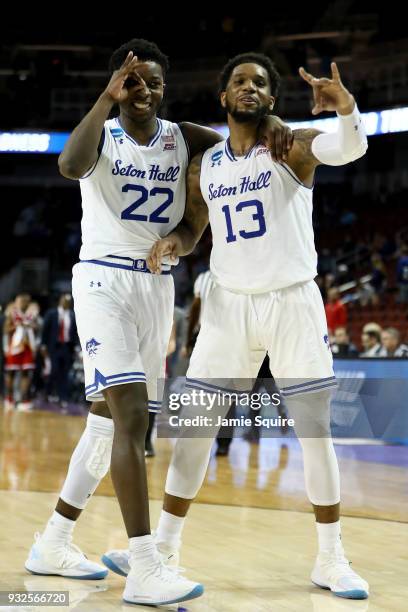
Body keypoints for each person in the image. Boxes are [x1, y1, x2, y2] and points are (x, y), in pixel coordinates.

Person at [24, 39, 291, 607]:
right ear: (118, 85)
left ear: (165, 89)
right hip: (103, 281)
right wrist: (104, 97)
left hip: (156, 287)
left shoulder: (183, 137)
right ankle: (144, 564)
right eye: (132, 81)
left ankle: (53, 541)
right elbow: (69, 165)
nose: (142, 90)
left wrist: (268, 123)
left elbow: (232, 145)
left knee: (106, 424)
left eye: (151, 82)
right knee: (128, 422)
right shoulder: (102, 134)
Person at [114, 53, 369, 600]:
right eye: (238, 81)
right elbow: (192, 227)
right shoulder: (205, 164)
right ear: (224, 97)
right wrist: (174, 246)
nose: (248, 87)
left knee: (314, 431)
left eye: (259, 83)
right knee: (193, 431)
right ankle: (164, 548)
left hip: (292, 300)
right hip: (228, 306)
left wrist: (346, 109)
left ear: (272, 100)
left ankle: (331, 557)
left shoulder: (289, 146)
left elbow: (348, 148)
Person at [3, 293, 39, 411]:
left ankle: (24, 399)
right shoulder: (12, 314)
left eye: (25, 301)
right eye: (21, 301)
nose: (23, 303)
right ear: (17, 302)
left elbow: (37, 329)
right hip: (15, 347)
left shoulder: (31, 315)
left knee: (26, 373)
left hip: (28, 346)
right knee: (11, 373)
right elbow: (5, 330)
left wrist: (32, 326)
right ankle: (9, 398)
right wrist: (17, 326)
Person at [41, 294, 78, 406]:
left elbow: (74, 332)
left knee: (65, 373)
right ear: (60, 301)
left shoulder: (72, 315)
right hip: (54, 347)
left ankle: (63, 398)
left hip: (67, 347)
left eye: (68, 301)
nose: (66, 303)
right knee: (54, 371)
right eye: (64, 300)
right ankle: (48, 393)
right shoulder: (52, 313)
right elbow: (45, 329)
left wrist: (76, 346)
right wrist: (43, 345)